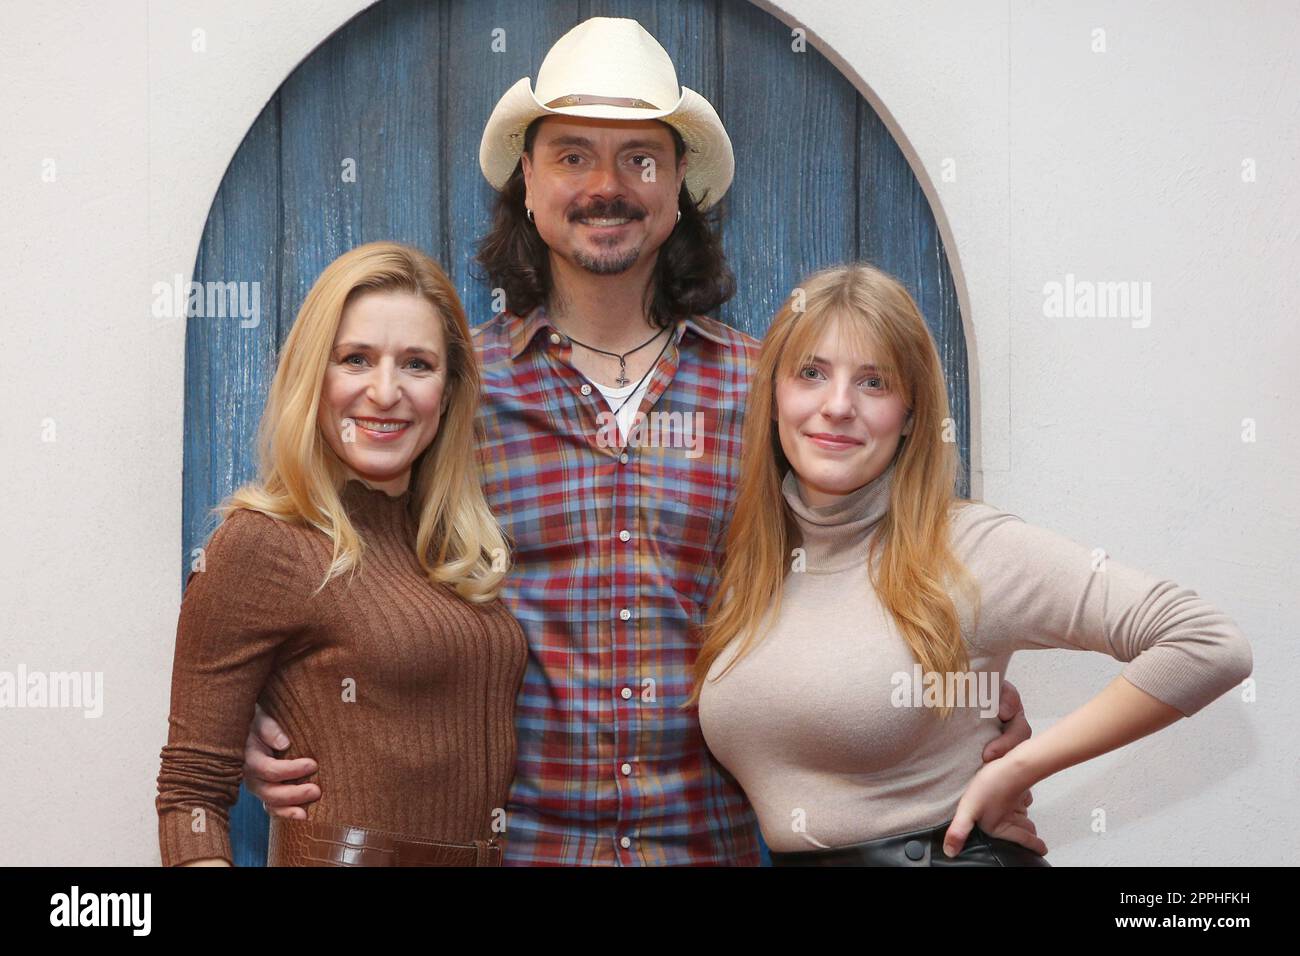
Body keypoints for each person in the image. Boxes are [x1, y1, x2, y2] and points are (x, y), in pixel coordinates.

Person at [240, 17, 1040, 865]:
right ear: (529, 177)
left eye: (639, 158)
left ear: (681, 181)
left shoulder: (772, 389)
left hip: (713, 848)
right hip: (513, 851)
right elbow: (307, 529)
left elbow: (891, 554)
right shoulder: (453, 386)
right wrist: (266, 684)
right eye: (573, 155)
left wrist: (962, 691)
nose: (606, 185)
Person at [691, 262, 1253, 866]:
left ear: (909, 415)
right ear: (774, 393)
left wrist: (1017, 769)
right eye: (811, 373)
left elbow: (1208, 643)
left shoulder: (967, 548)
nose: (837, 406)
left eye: (874, 383)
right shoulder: (759, 566)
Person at [155, 242, 527, 866]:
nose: (385, 392)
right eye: (355, 359)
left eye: (417, 364)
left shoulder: (447, 549)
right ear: (312, 375)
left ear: (449, 388)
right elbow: (190, 793)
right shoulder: (261, 541)